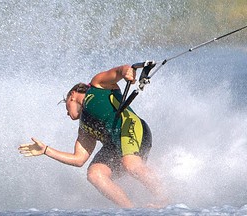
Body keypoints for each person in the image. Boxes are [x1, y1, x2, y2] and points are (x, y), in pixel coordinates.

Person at [18, 65, 168, 208]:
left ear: (72, 95)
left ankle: (165, 199)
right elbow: (78, 159)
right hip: (116, 146)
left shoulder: (97, 86)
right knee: (95, 174)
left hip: (131, 126)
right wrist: (46, 150)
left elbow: (119, 72)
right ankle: (132, 210)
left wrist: (126, 71)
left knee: (130, 164)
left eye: (66, 108)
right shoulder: (84, 128)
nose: (67, 113)